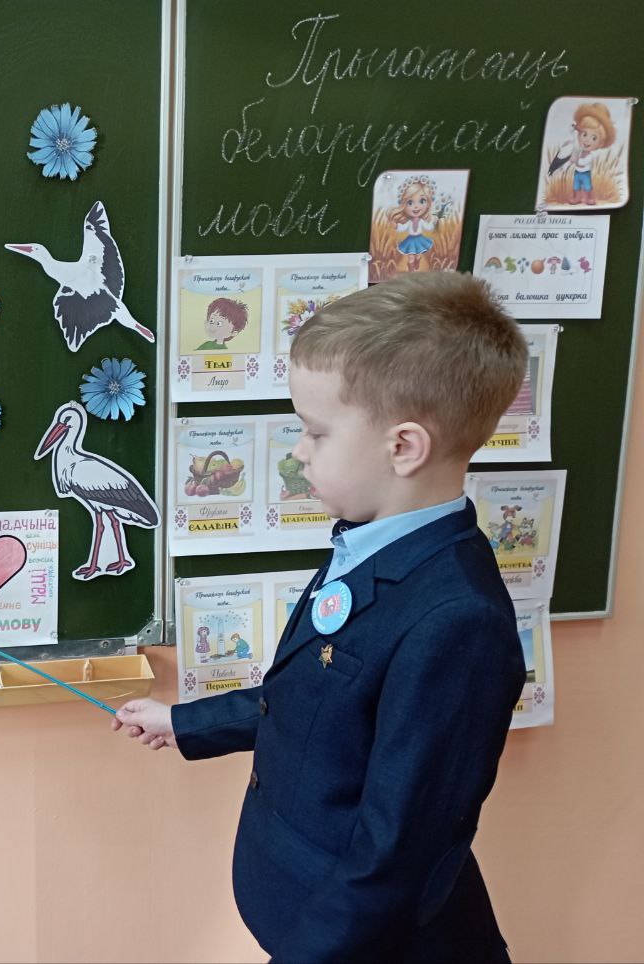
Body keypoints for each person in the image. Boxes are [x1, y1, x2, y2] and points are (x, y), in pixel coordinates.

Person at [114, 272, 528, 962]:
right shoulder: (370, 542)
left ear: (403, 447)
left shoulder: (459, 621)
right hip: (303, 907)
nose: (299, 451)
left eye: (315, 432)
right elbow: (314, 705)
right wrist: (185, 722)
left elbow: (396, 857)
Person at [568, 102, 617, 205]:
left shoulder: (589, 156)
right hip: (577, 173)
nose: (587, 140)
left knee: (587, 187)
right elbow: (573, 158)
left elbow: (582, 163)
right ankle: (577, 198)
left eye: (594, 138)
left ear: (600, 143)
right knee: (576, 186)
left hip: (585, 174)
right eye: (584, 134)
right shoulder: (578, 150)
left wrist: (576, 160)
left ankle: (589, 199)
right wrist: (573, 159)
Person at [392, 175, 438, 272]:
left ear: (428, 204)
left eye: (422, 201)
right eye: (410, 203)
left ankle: (418, 261)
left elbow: (428, 227)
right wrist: (396, 226)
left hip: (420, 239)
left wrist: (433, 223)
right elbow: (403, 228)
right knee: (411, 257)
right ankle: (411, 270)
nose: (416, 207)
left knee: (418, 256)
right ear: (404, 205)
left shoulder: (421, 221)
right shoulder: (409, 222)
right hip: (410, 240)